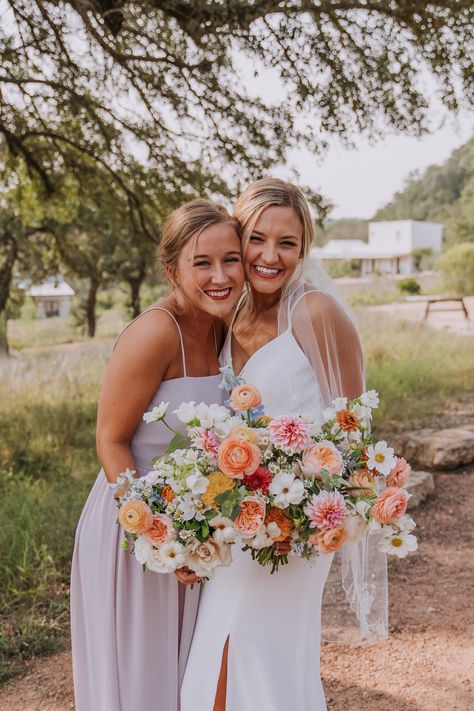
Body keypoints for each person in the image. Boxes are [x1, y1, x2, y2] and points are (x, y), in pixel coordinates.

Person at [181, 179, 368, 711]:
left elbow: (353, 434)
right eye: (257, 240)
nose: (269, 256)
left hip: (296, 527)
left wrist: (301, 514)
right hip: (238, 520)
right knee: (222, 656)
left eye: (286, 243)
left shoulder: (315, 313)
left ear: (303, 248)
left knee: (245, 654)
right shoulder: (231, 314)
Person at [71, 199, 245, 711]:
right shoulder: (153, 334)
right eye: (202, 263)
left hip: (199, 524)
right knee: (145, 680)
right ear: (172, 270)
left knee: (194, 674)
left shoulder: (226, 327)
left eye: (231, 259)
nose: (220, 275)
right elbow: (111, 439)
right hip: (136, 525)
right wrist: (158, 533)